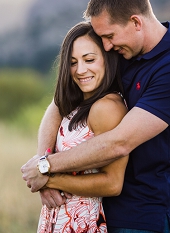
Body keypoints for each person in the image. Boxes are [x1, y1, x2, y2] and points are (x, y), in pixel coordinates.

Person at [21, 0, 170, 233]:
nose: (106, 46)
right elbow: (59, 102)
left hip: (147, 216)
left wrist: (47, 170)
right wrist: (44, 161)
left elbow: (120, 142)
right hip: (103, 214)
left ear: (135, 22)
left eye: (109, 36)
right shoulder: (123, 50)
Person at [34, 21, 128, 233]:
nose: (80, 70)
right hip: (57, 221)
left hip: (81, 224)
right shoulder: (76, 103)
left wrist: (48, 179)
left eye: (89, 59)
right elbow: (55, 105)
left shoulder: (107, 107)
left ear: (107, 59)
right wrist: (43, 164)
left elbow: (113, 184)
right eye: (73, 62)